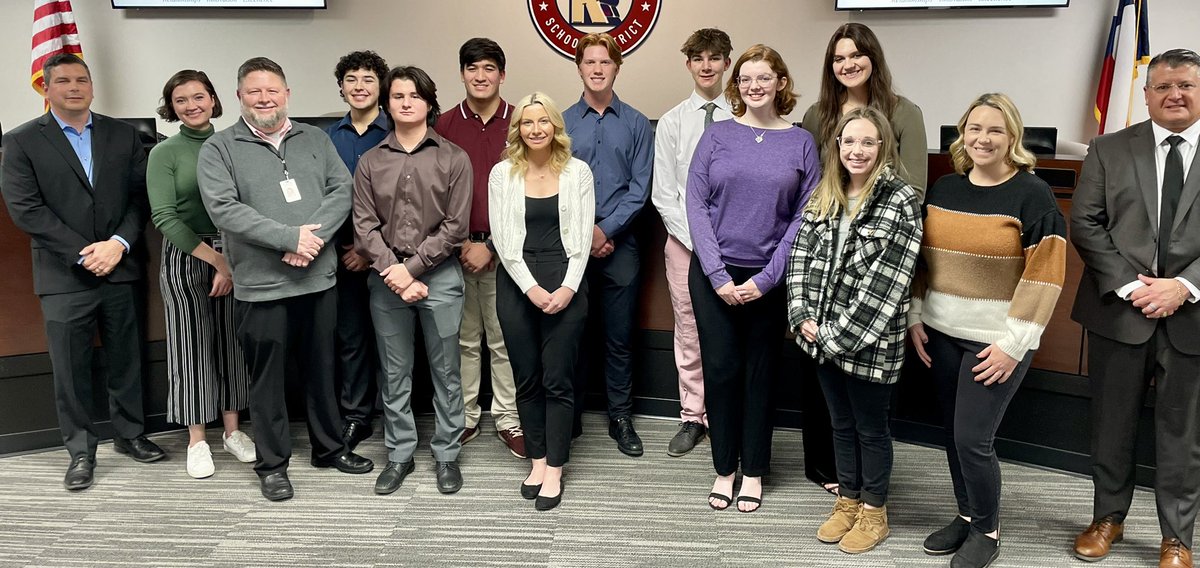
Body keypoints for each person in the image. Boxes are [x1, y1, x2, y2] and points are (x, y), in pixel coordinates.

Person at [198, 57, 373, 502]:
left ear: (287, 93)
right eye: (254, 91)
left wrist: (309, 241)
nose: (264, 98)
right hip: (262, 285)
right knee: (267, 378)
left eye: (272, 90)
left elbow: (342, 190)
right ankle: (272, 464)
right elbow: (224, 209)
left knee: (322, 368)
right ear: (239, 97)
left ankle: (328, 449)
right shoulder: (219, 148)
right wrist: (287, 239)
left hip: (318, 279)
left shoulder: (314, 138)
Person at [908, 93, 1065, 568]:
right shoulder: (943, 188)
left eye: (995, 130)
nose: (983, 138)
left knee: (973, 440)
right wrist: (916, 316)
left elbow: (1046, 275)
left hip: (994, 342)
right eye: (974, 128)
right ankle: (966, 513)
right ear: (962, 134)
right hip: (939, 333)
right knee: (955, 437)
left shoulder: (1032, 194)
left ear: (1012, 137)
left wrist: (1013, 345)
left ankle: (987, 530)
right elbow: (923, 263)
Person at [1, 53, 165, 491]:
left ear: (92, 86)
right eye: (64, 81)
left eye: (82, 80)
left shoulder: (124, 135)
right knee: (70, 369)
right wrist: (83, 252)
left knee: (125, 358)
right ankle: (80, 450)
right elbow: (26, 210)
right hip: (62, 274)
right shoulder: (20, 141)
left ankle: (131, 435)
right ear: (47, 89)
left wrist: (118, 244)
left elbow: (139, 199)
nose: (74, 87)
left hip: (121, 265)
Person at [1070, 49, 1200, 568]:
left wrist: (1184, 287)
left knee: (1184, 435)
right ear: (1145, 94)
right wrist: (1133, 287)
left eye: (1186, 85)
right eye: (1163, 86)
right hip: (1120, 312)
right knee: (1111, 423)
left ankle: (1177, 537)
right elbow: (1086, 223)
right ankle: (1107, 520)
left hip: (1192, 317)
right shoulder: (1108, 148)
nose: (1174, 95)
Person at [687, 44, 819, 513]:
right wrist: (718, 274)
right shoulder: (716, 135)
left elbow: (804, 218)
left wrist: (766, 279)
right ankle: (725, 468)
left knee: (761, 374)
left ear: (780, 83)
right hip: (713, 276)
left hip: (770, 277)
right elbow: (695, 206)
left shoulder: (802, 142)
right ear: (735, 86)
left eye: (764, 77)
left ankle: (755, 471)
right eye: (745, 79)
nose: (754, 86)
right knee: (721, 372)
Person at [799, 22, 928, 496]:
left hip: (875, 262)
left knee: (868, 417)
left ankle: (869, 500)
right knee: (830, 404)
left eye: (856, 55)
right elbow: (814, 185)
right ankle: (832, 476)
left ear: (873, 58)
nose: (848, 64)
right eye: (838, 58)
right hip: (825, 254)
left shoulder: (903, 112)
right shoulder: (818, 113)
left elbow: (914, 190)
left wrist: (871, 213)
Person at [786, 107, 922, 553]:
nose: (857, 150)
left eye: (867, 142)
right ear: (837, 147)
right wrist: (803, 316)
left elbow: (887, 286)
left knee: (870, 429)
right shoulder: (826, 193)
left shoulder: (900, 200)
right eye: (849, 142)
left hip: (868, 344)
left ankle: (874, 512)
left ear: (883, 146)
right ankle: (847, 501)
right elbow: (800, 259)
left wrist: (829, 336)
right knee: (839, 425)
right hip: (819, 337)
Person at [353, 65, 471, 496]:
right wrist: (396, 273)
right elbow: (364, 228)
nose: (406, 102)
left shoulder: (453, 157)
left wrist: (413, 269)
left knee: (446, 371)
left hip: (439, 278)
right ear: (387, 103)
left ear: (428, 102)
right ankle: (399, 454)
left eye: (414, 96)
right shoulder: (370, 161)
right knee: (395, 371)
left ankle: (446, 454)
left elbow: (456, 227)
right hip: (386, 279)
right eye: (398, 96)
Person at [147, 69, 255, 479]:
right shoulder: (165, 152)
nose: (191, 105)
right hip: (186, 253)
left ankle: (232, 431)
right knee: (191, 348)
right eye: (181, 100)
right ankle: (197, 440)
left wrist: (231, 259)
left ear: (214, 99)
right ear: (171, 107)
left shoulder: (234, 144)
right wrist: (216, 261)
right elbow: (164, 217)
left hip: (237, 249)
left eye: (198, 97)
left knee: (232, 343)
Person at [491, 92, 595, 511]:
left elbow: (584, 237)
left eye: (543, 122)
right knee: (527, 378)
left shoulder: (578, 172)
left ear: (556, 126)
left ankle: (555, 465)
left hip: (566, 277)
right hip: (518, 281)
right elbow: (502, 239)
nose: (536, 130)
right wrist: (530, 288)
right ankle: (536, 460)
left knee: (558, 378)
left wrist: (568, 287)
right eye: (527, 123)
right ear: (518, 129)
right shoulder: (503, 174)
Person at [564, 32, 654, 457]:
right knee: (572, 332)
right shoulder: (561, 122)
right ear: (579, 67)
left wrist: (605, 231)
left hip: (621, 245)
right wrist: (585, 234)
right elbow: (554, 185)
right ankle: (571, 415)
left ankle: (621, 417)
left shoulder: (637, 123)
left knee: (619, 336)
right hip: (569, 247)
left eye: (605, 62)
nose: (597, 69)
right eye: (589, 62)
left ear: (617, 67)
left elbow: (641, 189)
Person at [434, 38, 524, 458]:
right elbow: (435, 195)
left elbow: (532, 190)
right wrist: (464, 243)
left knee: (503, 339)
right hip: (457, 252)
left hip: (509, 253)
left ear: (502, 74)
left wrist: (494, 246)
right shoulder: (445, 125)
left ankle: (508, 417)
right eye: (472, 68)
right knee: (464, 340)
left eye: (489, 68)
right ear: (462, 74)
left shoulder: (523, 121)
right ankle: (466, 416)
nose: (481, 76)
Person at [651, 27, 733, 458]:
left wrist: (724, 243)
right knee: (689, 331)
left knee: (729, 330)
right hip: (685, 245)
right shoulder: (672, 121)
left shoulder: (742, 117)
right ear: (688, 65)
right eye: (698, 58)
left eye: (714, 58)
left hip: (737, 246)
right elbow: (663, 193)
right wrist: (700, 241)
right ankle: (691, 416)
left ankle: (725, 415)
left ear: (726, 64)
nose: (706, 65)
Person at [324, 50, 391, 451]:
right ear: (342, 88)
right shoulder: (327, 137)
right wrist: (350, 249)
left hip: (391, 256)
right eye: (351, 79)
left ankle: (397, 414)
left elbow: (407, 200)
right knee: (351, 339)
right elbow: (322, 196)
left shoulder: (398, 129)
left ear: (380, 86)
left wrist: (370, 250)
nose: (359, 86)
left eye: (368, 78)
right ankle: (357, 416)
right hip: (341, 256)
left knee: (395, 339)